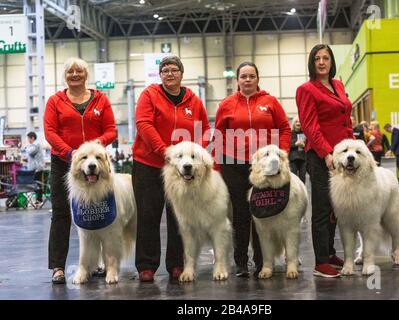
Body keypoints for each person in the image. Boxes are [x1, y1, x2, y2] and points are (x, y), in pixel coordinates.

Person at [132, 55, 210, 282]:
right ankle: (146, 265)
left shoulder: (193, 100)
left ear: (181, 74)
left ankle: (177, 264)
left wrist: (195, 155)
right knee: (148, 216)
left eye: (174, 69)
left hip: (182, 171)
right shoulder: (149, 95)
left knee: (179, 217)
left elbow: (204, 129)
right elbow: (144, 124)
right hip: (149, 165)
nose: (169, 73)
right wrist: (164, 151)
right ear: (160, 75)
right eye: (165, 69)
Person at [214, 61, 291, 277]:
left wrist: (281, 153)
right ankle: (240, 263)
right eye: (243, 76)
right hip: (234, 166)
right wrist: (217, 165)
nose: (247, 80)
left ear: (258, 79)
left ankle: (262, 261)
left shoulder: (270, 102)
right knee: (240, 214)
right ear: (237, 80)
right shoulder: (226, 104)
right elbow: (219, 135)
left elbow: (284, 128)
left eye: (251, 76)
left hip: (264, 167)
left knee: (262, 213)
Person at [44, 57, 117, 284]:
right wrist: (71, 153)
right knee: (62, 213)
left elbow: (111, 130)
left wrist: (94, 148)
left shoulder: (101, 99)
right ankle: (58, 267)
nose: (75, 74)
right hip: (65, 162)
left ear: (86, 75)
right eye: (70, 71)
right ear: (65, 76)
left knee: (101, 214)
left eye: (79, 71)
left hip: (97, 163)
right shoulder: (55, 101)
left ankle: (103, 263)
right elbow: (50, 132)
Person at [296, 44, 354, 278]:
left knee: (335, 207)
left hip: (343, 156)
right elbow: (310, 126)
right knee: (321, 208)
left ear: (331, 61)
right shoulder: (306, 89)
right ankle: (321, 262)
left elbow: (345, 120)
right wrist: (326, 153)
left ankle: (330, 253)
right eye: (317, 58)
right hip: (321, 157)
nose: (321, 62)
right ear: (312, 63)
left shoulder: (338, 85)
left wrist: (352, 148)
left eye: (326, 58)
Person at [23, 131, 45, 204]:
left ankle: (39, 200)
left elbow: (30, 152)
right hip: (35, 168)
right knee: (36, 184)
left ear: (32, 138)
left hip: (37, 168)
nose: (28, 140)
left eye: (29, 138)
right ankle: (38, 199)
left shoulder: (35, 144)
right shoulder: (33, 145)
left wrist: (26, 147)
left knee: (38, 184)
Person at [289, 116, 307, 183]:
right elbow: (287, 145)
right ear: (293, 124)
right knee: (293, 177)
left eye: (299, 122)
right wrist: (295, 144)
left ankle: (302, 191)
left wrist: (304, 145)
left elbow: (308, 145)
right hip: (293, 159)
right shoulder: (290, 133)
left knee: (303, 177)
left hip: (303, 159)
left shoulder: (305, 133)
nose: (298, 123)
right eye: (296, 122)